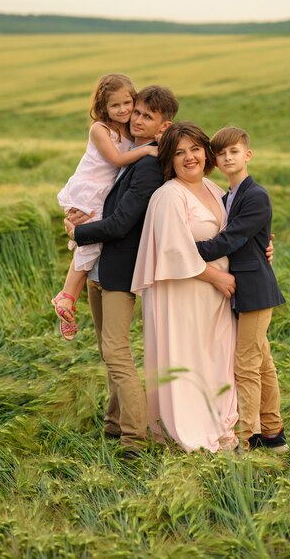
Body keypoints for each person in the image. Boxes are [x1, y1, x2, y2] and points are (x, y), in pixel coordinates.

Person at [64, 85, 179, 455]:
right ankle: (114, 424)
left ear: (164, 125)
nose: (138, 119)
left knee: (116, 351)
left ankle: (134, 438)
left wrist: (78, 231)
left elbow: (122, 222)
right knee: (105, 348)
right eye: (137, 112)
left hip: (119, 269)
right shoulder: (130, 151)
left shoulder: (147, 164)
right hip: (101, 267)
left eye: (148, 116)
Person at [131, 122, 240, 453]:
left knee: (218, 357)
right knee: (187, 357)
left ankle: (221, 420)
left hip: (217, 297)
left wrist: (264, 246)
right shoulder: (168, 196)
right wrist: (216, 277)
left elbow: (234, 231)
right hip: (183, 292)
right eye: (179, 152)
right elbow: (173, 249)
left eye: (195, 149)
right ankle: (189, 429)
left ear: (206, 153)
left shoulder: (213, 188)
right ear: (170, 160)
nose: (189, 157)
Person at [195, 125, 288, 453]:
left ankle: (249, 438)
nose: (227, 157)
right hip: (242, 288)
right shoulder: (226, 197)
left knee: (247, 363)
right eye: (221, 154)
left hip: (256, 288)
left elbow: (230, 239)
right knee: (261, 361)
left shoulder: (256, 195)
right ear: (216, 161)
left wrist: (186, 248)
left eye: (233, 151)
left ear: (247, 155)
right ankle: (274, 433)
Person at [52, 73, 158, 341]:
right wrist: (146, 151)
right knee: (91, 241)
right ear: (103, 107)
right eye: (115, 106)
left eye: (127, 103)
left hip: (103, 193)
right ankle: (66, 298)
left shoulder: (131, 129)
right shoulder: (100, 129)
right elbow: (117, 159)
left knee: (90, 242)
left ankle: (67, 299)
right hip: (90, 191)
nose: (123, 110)